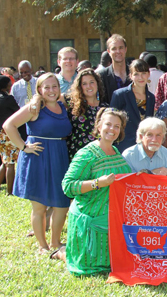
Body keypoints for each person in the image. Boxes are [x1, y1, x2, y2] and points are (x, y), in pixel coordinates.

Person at [55, 108, 132, 275]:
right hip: (90, 215)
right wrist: (98, 183)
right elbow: (68, 186)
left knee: (118, 264)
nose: (112, 129)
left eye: (117, 126)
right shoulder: (87, 154)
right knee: (90, 268)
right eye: (108, 124)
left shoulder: (115, 152)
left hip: (112, 215)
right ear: (98, 126)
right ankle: (64, 252)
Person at [3, 73, 72, 254]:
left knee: (62, 203)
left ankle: (56, 242)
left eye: (54, 86)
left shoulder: (63, 106)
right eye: (46, 87)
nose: (51, 90)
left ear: (59, 88)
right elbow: (8, 125)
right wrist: (23, 147)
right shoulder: (35, 107)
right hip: (38, 157)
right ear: (39, 90)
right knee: (39, 205)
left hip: (59, 156)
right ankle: (42, 246)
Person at [0, 75, 27, 194]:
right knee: (10, 164)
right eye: (9, 84)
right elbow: (18, 112)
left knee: (5, 162)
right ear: (5, 86)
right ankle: (9, 191)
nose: (11, 85)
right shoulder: (8, 99)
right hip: (8, 134)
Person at [110, 59, 156, 153]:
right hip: (123, 146)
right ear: (130, 76)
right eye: (136, 74)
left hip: (144, 147)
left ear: (148, 74)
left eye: (143, 73)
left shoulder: (151, 97)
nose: (140, 77)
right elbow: (111, 121)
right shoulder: (120, 95)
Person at [65, 68, 109, 160]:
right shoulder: (72, 103)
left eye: (92, 82)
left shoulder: (105, 108)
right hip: (77, 155)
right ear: (80, 87)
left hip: (99, 156)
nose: (89, 86)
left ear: (97, 84)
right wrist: (37, 99)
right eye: (84, 84)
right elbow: (52, 97)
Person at [98, 34, 131, 104]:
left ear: (126, 49)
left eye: (121, 48)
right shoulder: (101, 76)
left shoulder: (135, 73)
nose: (118, 51)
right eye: (114, 49)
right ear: (109, 52)